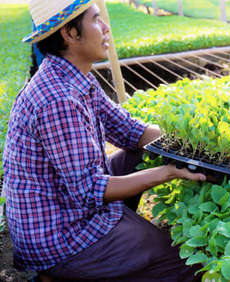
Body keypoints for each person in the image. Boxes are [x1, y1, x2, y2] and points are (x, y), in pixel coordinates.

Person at [3, 0, 206, 281]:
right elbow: (89, 189)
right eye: (97, 20)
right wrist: (166, 173)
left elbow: (130, 131)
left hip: (68, 205)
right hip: (59, 236)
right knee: (184, 264)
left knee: (141, 153)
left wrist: (198, 142)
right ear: (70, 34)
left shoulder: (74, 77)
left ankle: (114, 251)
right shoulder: (58, 99)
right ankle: (62, 272)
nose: (107, 28)